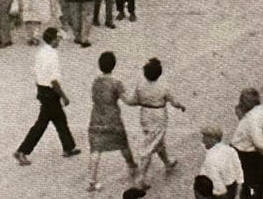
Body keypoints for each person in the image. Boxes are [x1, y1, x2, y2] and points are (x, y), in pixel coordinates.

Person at [14, 27, 81, 166]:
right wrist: (64, 96)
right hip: (50, 92)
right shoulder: (53, 55)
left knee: (60, 120)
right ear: (54, 40)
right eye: (58, 39)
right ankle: (22, 151)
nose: (59, 42)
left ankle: (69, 147)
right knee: (42, 124)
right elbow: (54, 81)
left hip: (41, 89)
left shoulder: (41, 52)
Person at [124, 57, 186, 190]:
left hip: (145, 115)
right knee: (149, 146)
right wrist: (180, 106)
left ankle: (167, 162)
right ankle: (140, 179)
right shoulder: (163, 86)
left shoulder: (140, 84)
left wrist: (124, 96)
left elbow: (132, 101)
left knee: (156, 141)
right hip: (159, 116)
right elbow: (173, 101)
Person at [86, 52, 137, 193]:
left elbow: (94, 98)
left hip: (96, 116)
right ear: (113, 65)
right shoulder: (116, 83)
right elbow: (128, 100)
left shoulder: (96, 81)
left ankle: (92, 180)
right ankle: (132, 165)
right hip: (112, 118)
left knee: (96, 149)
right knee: (122, 143)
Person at [229, 88, 263, 199]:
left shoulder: (252, 118)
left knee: (240, 185)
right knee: (255, 186)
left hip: (245, 155)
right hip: (252, 155)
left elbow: (258, 143)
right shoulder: (262, 110)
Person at [197, 126, 243, 199]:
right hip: (233, 189)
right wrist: (238, 195)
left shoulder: (211, 158)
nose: (203, 141)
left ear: (212, 139)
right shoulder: (231, 150)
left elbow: (219, 188)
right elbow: (239, 174)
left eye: (205, 138)